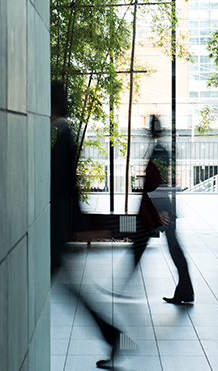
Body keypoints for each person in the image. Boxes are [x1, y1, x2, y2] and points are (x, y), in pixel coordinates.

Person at [50, 81, 123, 367]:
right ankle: (112, 336)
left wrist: (72, 229)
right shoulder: (64, 134)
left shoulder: (63, 137)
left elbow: (64, 187)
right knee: (74, 292)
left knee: (73, 293)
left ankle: (113, 335)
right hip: (59, 229)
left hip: (57, 231)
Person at [147, 116, 195, 305]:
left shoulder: (159, 151)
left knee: (174, 248)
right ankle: (185, 292)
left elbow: (161, 182)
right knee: (174, 248)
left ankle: (186, 291)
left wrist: (163, 210)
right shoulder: (160, 148)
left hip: (163, 208)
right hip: (161, 207)